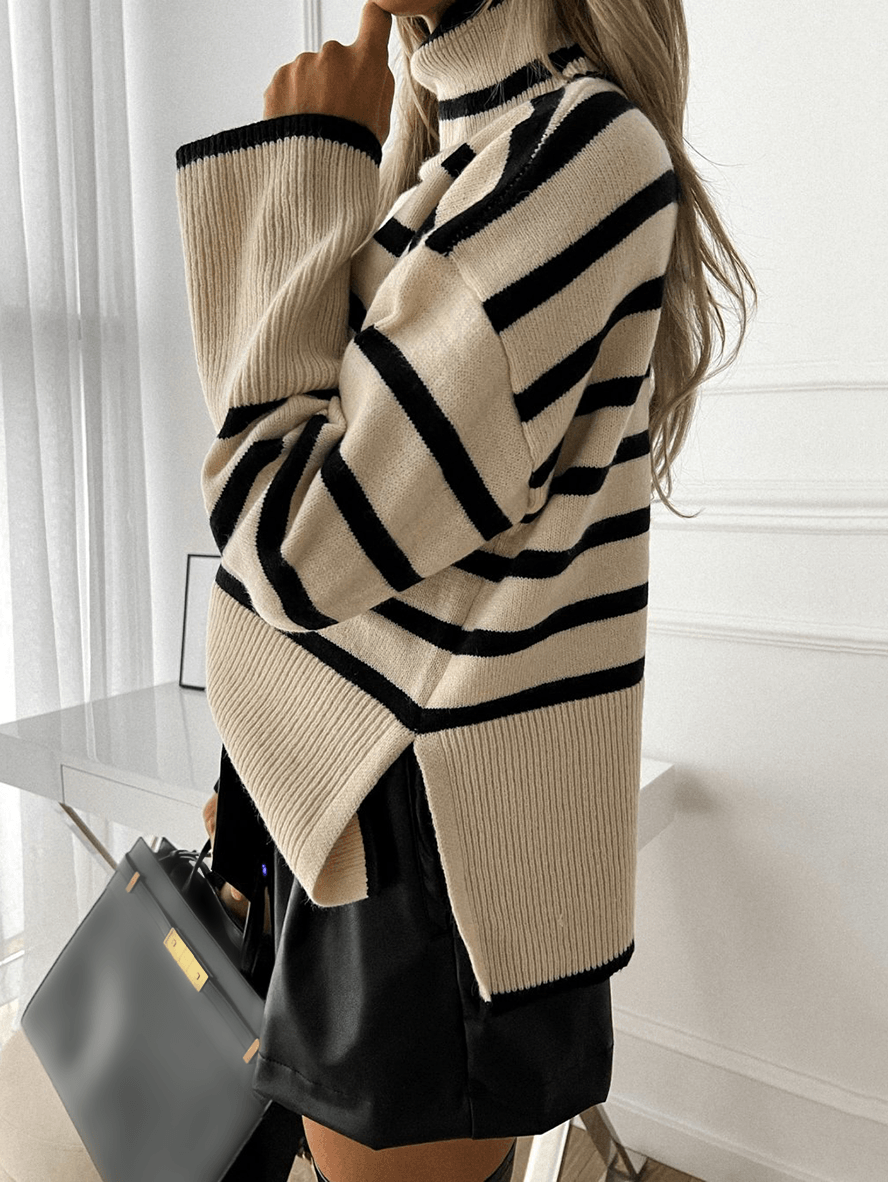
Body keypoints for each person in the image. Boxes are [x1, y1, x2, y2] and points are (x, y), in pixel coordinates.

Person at [177, 1, 756, 1179]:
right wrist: (275, 769)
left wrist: (301, 170)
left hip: (427, 873)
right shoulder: (451, 153)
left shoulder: (576, 151)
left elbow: (290, 543)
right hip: (352, 819)